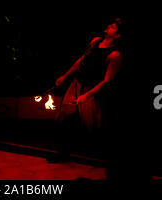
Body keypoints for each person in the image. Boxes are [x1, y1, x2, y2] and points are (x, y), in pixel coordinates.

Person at [47, 18, 125, 163]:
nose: (108, 26)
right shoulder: (95, 42)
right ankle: (63, 154)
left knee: (95, 125)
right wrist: (65, 76)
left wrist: (86, 96)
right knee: (65, 115)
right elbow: (82, 60)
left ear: (118, 35)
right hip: (77, 85)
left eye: (113, 27)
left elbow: (107, 81)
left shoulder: (115, 55)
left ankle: (109, 159)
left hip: (94, 91)